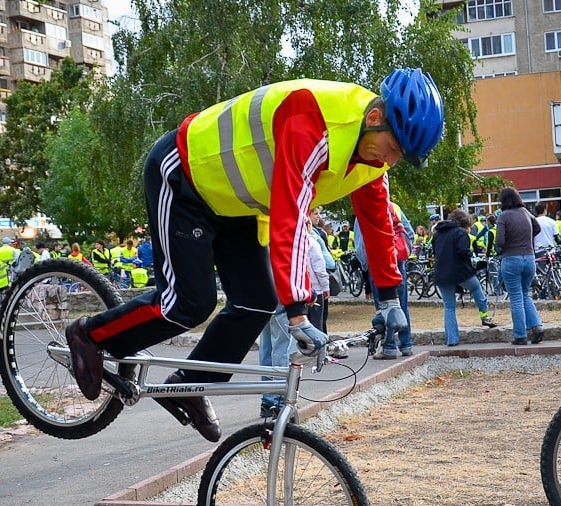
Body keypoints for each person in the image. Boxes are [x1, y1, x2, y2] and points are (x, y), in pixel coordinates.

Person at [64, 68, 444, 443]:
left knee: (257, 302)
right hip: (184, 175)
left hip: (236, 203)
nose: (391, 161)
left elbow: (377, 223)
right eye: (393, 149)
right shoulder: (313, 120)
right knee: (187, 303)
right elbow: (292, 215)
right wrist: (298, 312)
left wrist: (390, 295)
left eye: (401, 156)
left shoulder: (372, 159)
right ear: (374, 118)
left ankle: (191, 386)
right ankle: (89, 335)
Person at [355, 199, 414, 359]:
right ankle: (406, 344)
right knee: (401, 305)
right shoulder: (394, 207)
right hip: (398, 263)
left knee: (384, 307)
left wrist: (366, 267)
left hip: (378, 264)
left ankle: (389, 347)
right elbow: (410, 234)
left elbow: (361, 246)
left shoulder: (364, 207)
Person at [431, 209, 497, 347]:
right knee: (476, 287)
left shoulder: (437, 234)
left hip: (441, 274)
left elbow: (435, 252)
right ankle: (484, 316)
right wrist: (471, 254)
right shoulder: (460, 233)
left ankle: (452, 339)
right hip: (460, 272)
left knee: (449, 307)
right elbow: (463, 252)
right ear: (464, 222)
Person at [495, 187, 544, 346]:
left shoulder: (503, 216)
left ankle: (520, 335)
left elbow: (500, 241)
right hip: (529, 258)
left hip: (511, 258)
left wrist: (502, 248)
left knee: (516, 297)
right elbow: (537, 228)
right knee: (524, 294)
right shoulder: (525, 212)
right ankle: (537, 327)